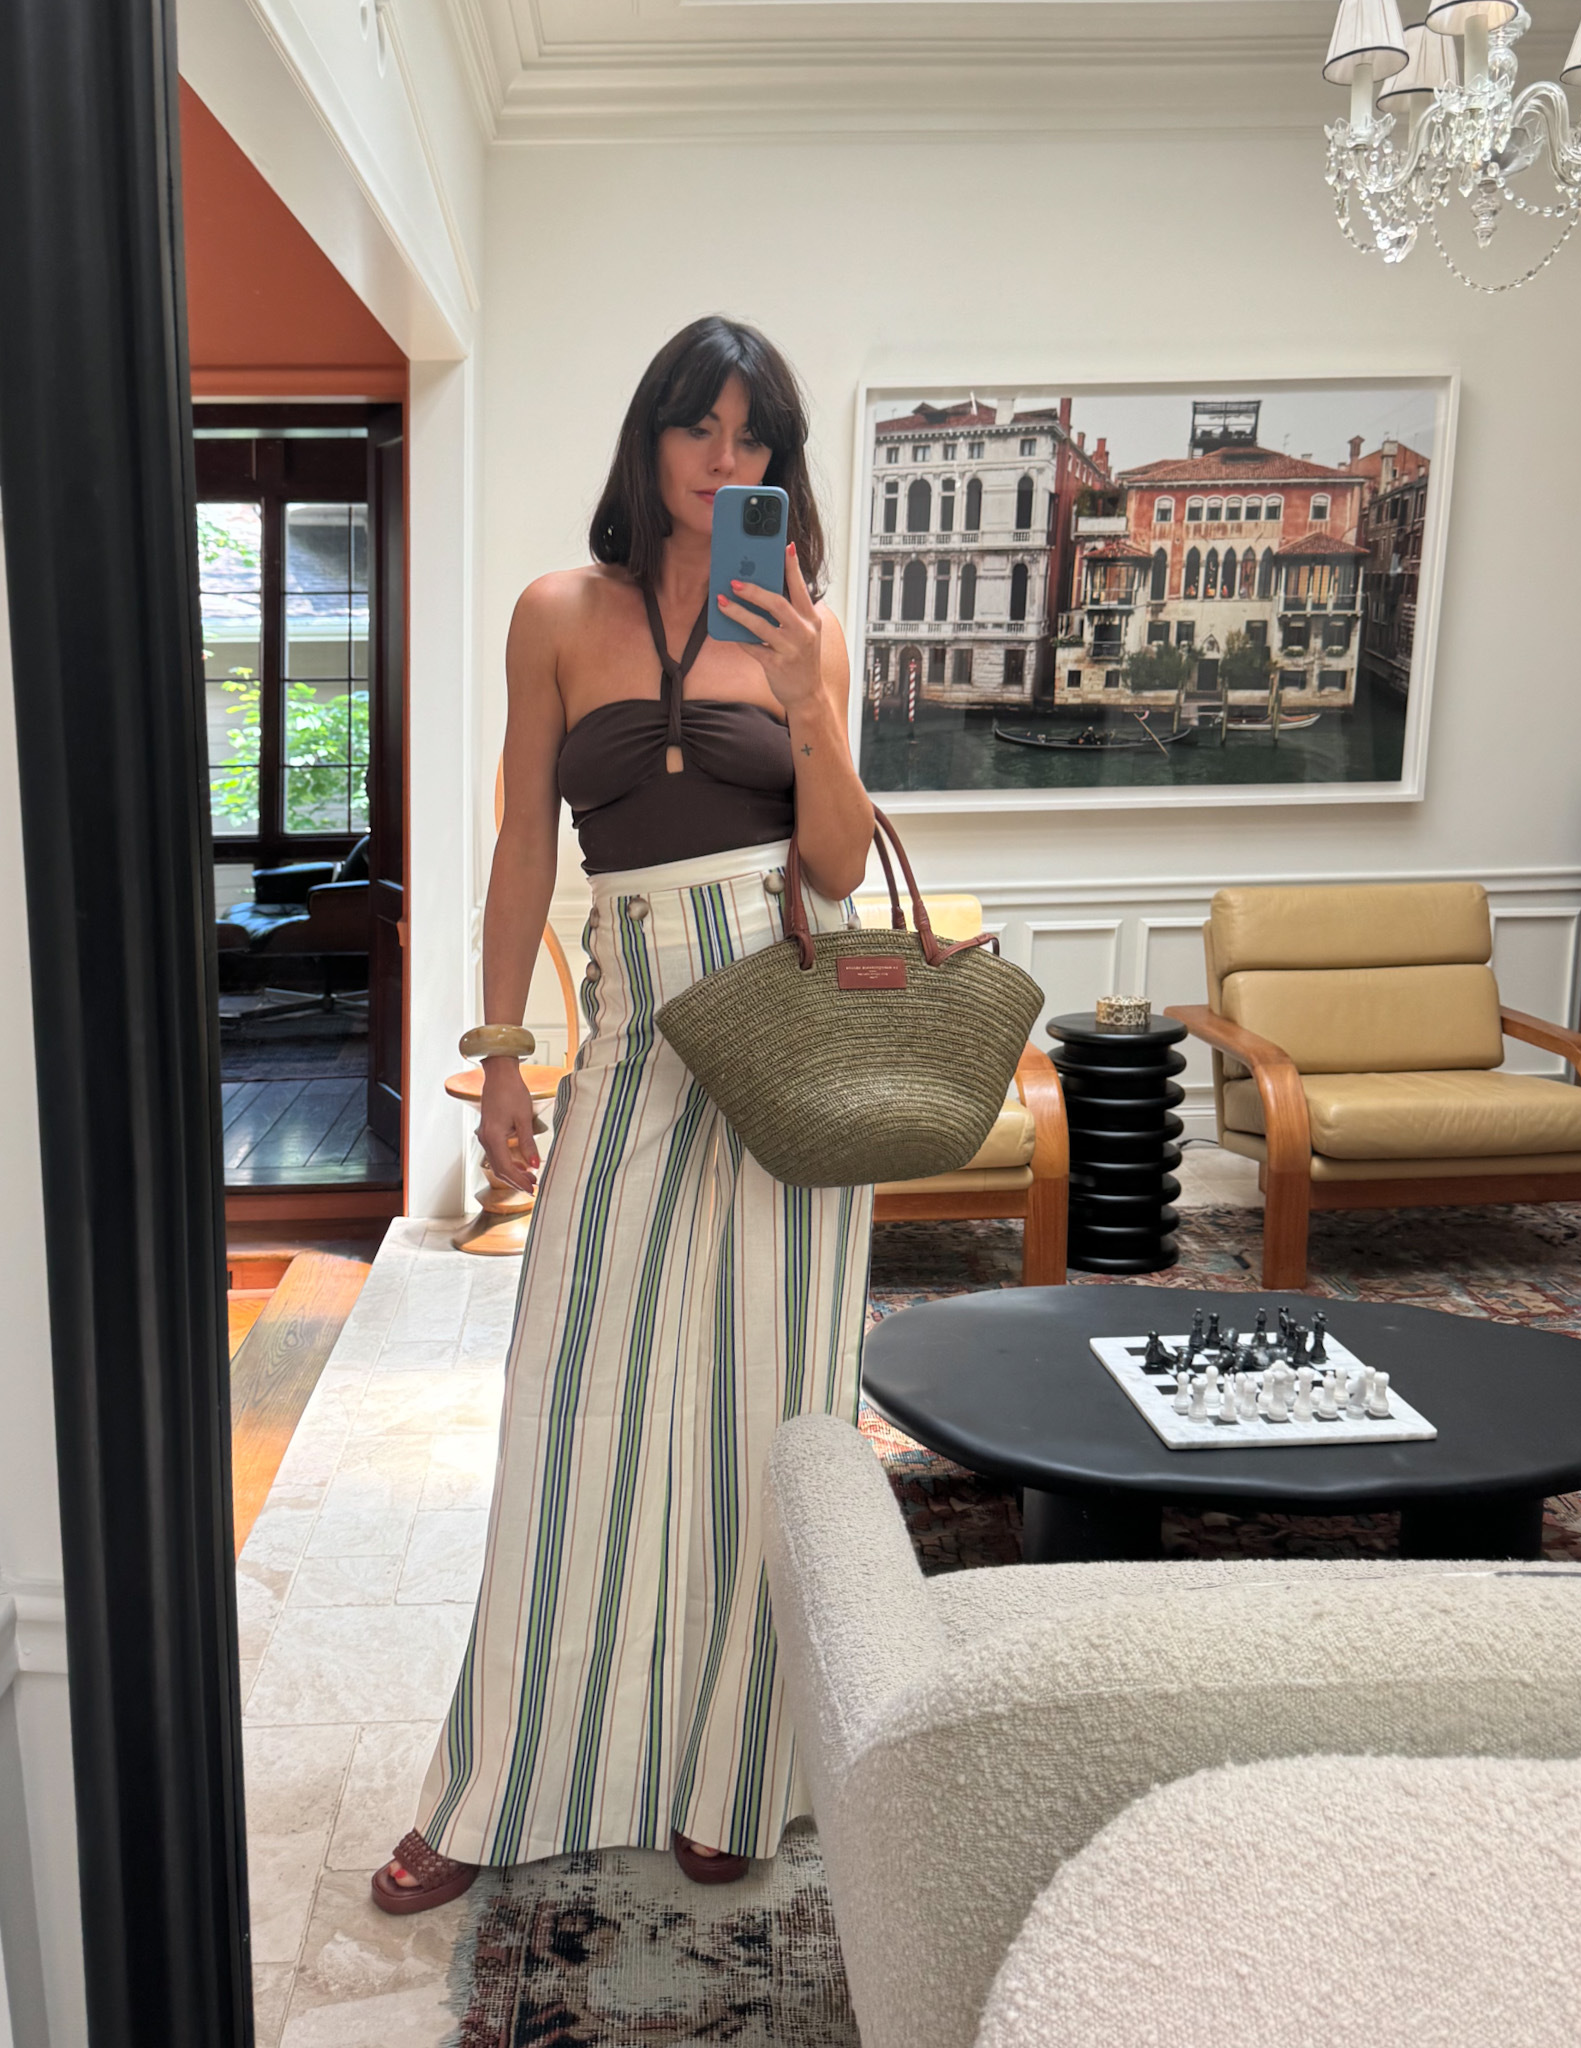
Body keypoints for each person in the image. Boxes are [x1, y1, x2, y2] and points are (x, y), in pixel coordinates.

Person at [370, 315, 877, 1914]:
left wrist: (809, 698)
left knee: (774, 1399)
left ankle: (740, 1767)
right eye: (699, 431)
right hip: (634, 1027)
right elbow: (526, 838)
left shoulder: (805, 625)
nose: (727, 464)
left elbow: (841, 867)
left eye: (756, 442)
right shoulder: (555, 613)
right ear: (646, 439)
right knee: (568, 1391)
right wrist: (505, 1052)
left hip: (790, 1026)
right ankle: (505, 1774)